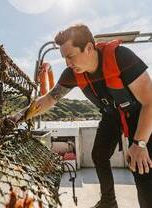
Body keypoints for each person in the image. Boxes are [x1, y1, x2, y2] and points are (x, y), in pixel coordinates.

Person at [10, 24, 152, 208]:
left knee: (141, 170)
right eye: (64, 58)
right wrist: (19, 116)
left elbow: (150, 102)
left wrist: (139, 144)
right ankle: (109, 202)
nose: (68, 63)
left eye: (70, 56)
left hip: (140, 115)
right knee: (99, 155)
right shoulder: (72, 74)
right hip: (111, 116)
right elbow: (49, 99)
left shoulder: (122, 58)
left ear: (89, 48)